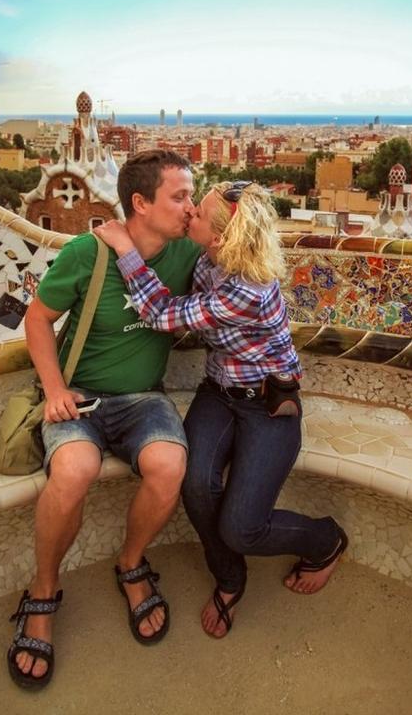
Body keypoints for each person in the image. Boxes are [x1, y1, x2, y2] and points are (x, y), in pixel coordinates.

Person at [95, 181, 347, 639]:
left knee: (241, 528)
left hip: (266, 406)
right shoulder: (208, 260)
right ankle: (230, 578)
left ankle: (326, 540)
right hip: (218, 393)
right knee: (195, 485)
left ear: (219, 237)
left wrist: (125, 247)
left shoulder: (248, 289)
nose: (189, 210)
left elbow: (161, 314)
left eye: (197, 211)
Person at [7, 150, 199, 690]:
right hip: (80, 398)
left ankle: (131, 564)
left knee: (169, 465)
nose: (189, 207)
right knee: (73, 470)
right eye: (179, 196)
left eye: (191, 196)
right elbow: (37, 319)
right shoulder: (87, 253)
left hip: (143, 399)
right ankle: (43, 592)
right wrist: (53, 389)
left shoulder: (186, 251)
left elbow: (233, 235)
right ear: (141, 203)